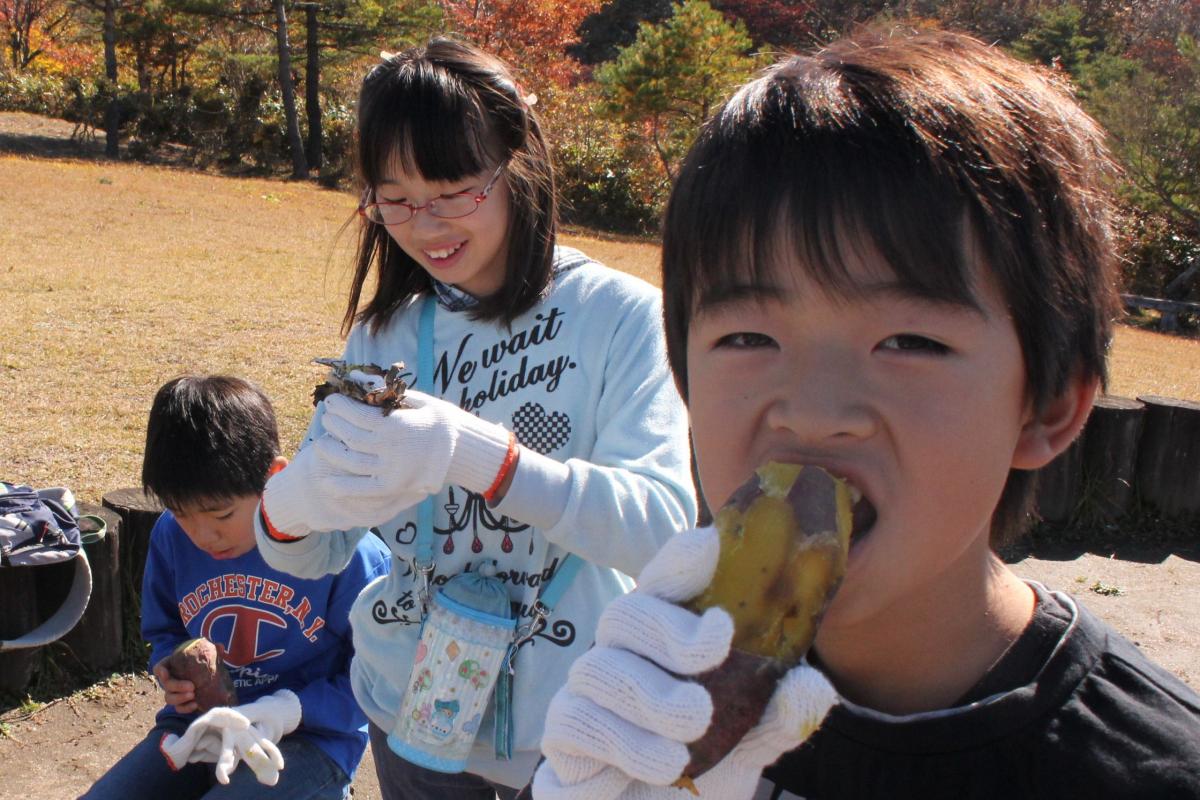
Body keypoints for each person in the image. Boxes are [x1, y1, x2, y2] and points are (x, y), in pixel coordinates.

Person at [531, 26, 1200, 800]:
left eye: (908, 340)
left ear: (1047, 406)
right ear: (684, 380)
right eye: (749, 336)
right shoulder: (645, 701)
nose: (814, 413)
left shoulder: (1159, 774)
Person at [252, 37, 697, 799]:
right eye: (395, 199)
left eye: (455, 188)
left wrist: (483, 458)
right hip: (410, 713)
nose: (426, 226)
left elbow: (662, 528)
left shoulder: (622, 316)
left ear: (515, 160)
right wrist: (288, 513)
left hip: (577, 726)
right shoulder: (382, 335)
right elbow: (315, 552)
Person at [82, 375, 391, 800]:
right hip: (203, 727)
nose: (202, 535)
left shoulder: (347, 554)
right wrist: (171, 670)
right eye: (180, 512)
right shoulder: (172, 536)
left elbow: (381, 678)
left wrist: (289, 709)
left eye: (221, 515)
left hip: (312, 738)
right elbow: (165, 630)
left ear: (274, 477)